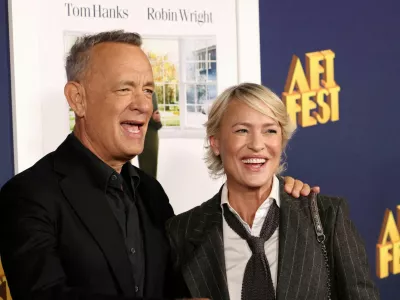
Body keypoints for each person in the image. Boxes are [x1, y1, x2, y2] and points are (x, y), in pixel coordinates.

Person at [0, 31, 315, 299]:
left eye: (148, 90)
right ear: (78, 98)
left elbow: (190, 276)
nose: (143, 104)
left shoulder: (150, 193)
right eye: (125, 88)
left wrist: (270, 196)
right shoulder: (30, 194)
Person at [166, 83, 380, 300]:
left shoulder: (327, 217)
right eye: (242, 130)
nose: (257, 145)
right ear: (216, 143)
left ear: (281, 141)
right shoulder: (182, 232)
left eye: (270, 130)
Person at [138, 93, 162, 178]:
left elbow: (156, 118)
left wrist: (156, 120)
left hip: (149, 132)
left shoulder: (151, 93)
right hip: (143, 130)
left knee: (149, 168)